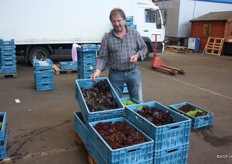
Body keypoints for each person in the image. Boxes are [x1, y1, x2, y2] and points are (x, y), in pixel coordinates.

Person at [90, 8, 148, 103]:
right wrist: (98, 70)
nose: (116, 24)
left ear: (124, 20)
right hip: (115, 74)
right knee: (114, 101)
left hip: (133, 72)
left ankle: (136, 117)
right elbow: (102, 56)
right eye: (114, 21)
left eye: (119, 20)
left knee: (137, 100)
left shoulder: (134, 34)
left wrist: (137, 55)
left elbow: (144, 48)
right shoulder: (107, 38)